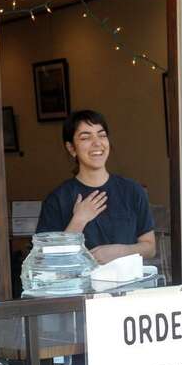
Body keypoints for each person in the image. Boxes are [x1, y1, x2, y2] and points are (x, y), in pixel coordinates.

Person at [35, 109, 156, 265]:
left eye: (102, 135)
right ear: (71, 148)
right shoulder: (57, 199)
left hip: (129, 286)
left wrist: (120, 252)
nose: (97, 142)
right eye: (85, 137)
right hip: (80, 287)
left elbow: (150, 248)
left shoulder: (132, 191)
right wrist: (79, 220)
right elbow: (47, 260)